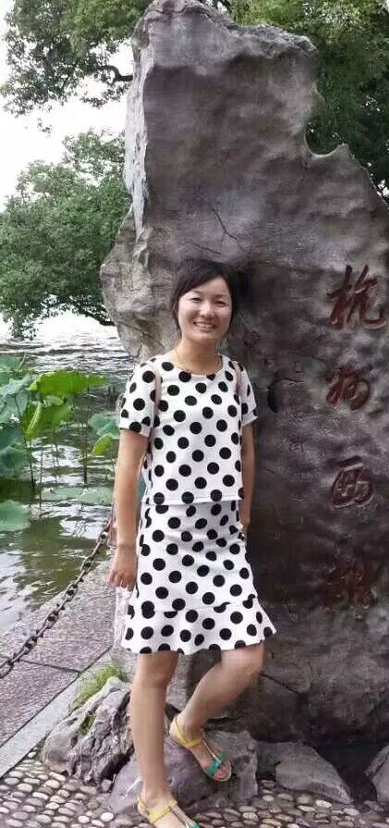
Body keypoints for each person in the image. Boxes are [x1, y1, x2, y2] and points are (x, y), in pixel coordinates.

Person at [108, 258, 275, 828]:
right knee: (155, 672)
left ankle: (189, 726)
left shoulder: (236, 377)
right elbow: (126, 469)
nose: (208, 311)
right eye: (197, 299)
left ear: (231, 312)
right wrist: (126, 546)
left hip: (223, 545)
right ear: (177, 306)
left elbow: (246, 449)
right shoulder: (150, 378)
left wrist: (244, 517)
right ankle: (153, 793)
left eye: (220, 301)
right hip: (165, 544)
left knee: (246, 659)